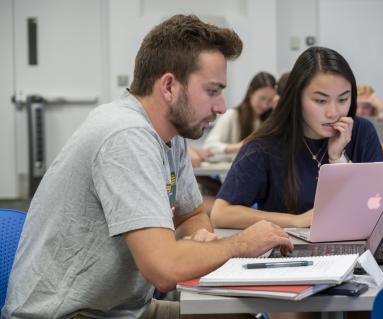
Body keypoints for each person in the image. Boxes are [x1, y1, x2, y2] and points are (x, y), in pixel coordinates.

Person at [1, 15, 293, 319]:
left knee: (245, 315)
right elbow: (164, 269)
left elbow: (191, 213)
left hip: (122, 310)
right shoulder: (125, 135)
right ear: (169, 86)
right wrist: (241, 243)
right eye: (212, 91)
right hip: (68, 314)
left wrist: (200, 240)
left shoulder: (170, 134)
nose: (221, 106)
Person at [210, 46, 383, 229]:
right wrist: (296, 221)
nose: (333, 113)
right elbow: (221, 213)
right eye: (320, 101)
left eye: (342, 100)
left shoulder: (362, 132)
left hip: (357, 247)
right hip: (289, 251)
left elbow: (379, 205)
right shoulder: (265, 145)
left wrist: (338, 160)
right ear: (297, 97)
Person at [203, 71, 276, 154]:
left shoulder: (269, 120)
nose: (265, 105)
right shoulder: (232, 115)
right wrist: (241, 146)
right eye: (262, 98)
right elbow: (209, 146)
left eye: (270, 100)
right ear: (251, 93)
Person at [356, 84, 383, 151]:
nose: (360, 112)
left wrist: (382, 110)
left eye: (366, 107)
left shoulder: (378, 121)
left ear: (373, 108)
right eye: (355, 106)